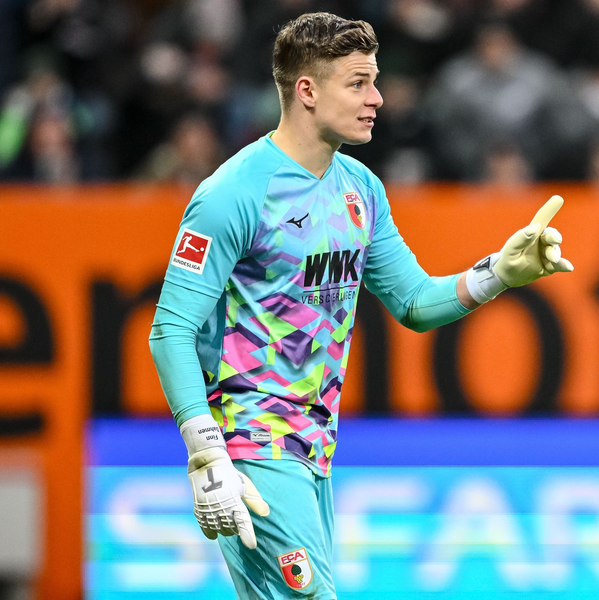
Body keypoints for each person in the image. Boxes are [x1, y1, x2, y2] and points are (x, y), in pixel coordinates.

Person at [149, 12, 573, 599]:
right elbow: (170, 330)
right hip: (252, 444)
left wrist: (499, 272)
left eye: (374, 81)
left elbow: (415, 301)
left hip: (314, 450)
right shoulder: (233, 194)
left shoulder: (360, 188)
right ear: (307, 91)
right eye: (357, 83)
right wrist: (206, 454)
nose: (377, 98)